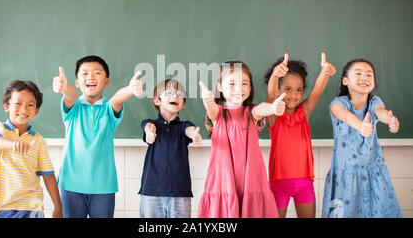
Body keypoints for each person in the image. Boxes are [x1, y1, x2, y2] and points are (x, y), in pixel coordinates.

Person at [52, 55, 142, 218]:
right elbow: (71, 96)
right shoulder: (73, 109)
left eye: (97, 73)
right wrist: (65, 87)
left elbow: (117, 99)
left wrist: (130, 90)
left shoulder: (108, 109)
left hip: (103, 187)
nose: (91, 77)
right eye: (84, 73)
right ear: (78, 82)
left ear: (107, 81)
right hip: (71, 184)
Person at [197, 61, 284, 218]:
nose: (239, 89)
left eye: (244, 84)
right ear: (220, 87)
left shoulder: (251, 112)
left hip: (251, 181)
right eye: (232, 83)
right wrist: (207, 102)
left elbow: (261, 109)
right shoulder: (218, 113)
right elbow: (211, 111)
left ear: (250, 88)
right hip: (223, 181)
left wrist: (272, 108)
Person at [321, 58, 402, 218]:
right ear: (345, 80)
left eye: (369, 75)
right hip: (345, 178)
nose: (364, 78)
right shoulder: (338, 104)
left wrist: (391, 120)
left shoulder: (374, 102)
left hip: (374, 175)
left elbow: (381, 112)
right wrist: (360, 126)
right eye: (358, 73)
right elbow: (345, 116)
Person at [264, 53, 336, 218]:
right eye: (287, 89)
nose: (294, 95)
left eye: (299, 90)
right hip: (278, 183)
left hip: (305, 183)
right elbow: (270, 96)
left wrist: (324, 73)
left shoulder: (304, 112)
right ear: (279, 90)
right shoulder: (274, 114)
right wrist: (275, 74)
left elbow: (317, 92)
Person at [0, 80, 62, 218]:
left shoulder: (38, 141)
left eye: (30, 105)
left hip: (31, 207)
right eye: (18, 103)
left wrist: (58, 206)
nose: (24, 109)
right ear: (7, 106)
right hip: (0, 207)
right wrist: (13, 144)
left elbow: (48, 176)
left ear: (36, 110)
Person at [139, 79, 202, 218]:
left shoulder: (184, 125)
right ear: (157, 100)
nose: (175, 96)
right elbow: (149, 128)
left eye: (179, 94)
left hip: (180, 194)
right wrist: (149, 133)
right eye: (169, 93)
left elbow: (190, 130)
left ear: (183, 104)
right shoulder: (150, 123)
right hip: (151, 192)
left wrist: (195, 135)